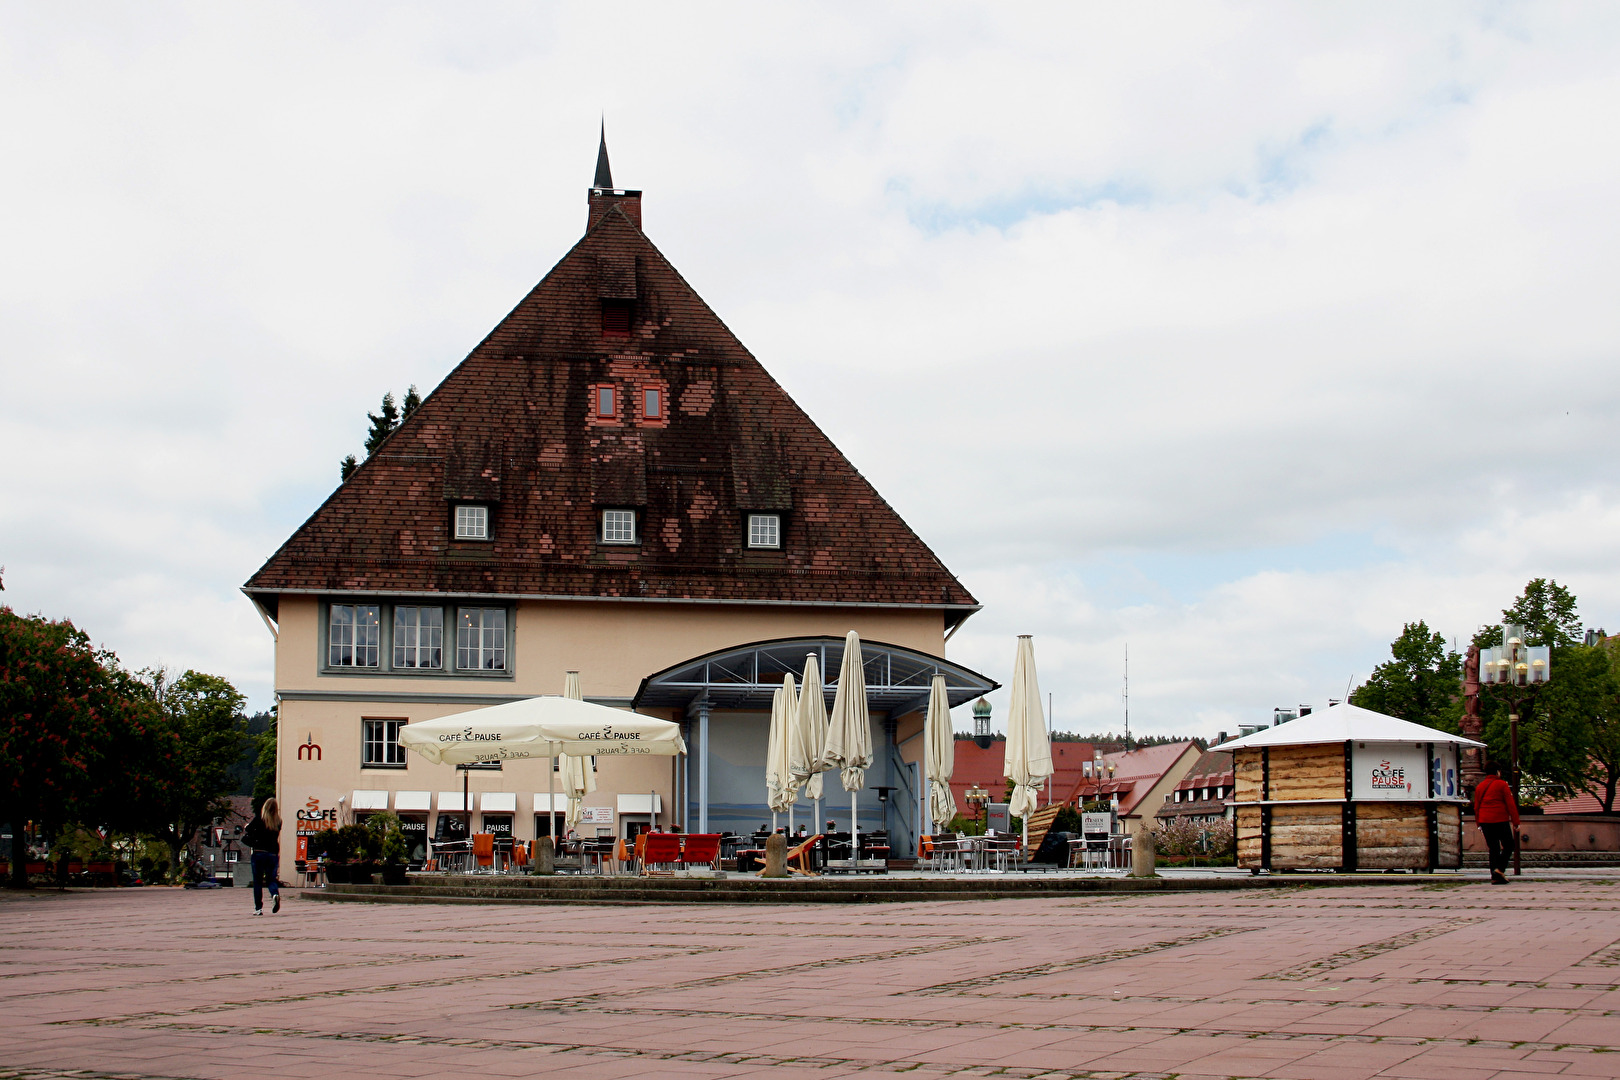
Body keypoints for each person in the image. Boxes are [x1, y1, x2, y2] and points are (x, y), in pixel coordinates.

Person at [1473, 762, 1520, 885]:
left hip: (1484, 820)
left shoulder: (1480, 786)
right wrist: (1516, 821)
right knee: (1509, 845)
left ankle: (1495, 876)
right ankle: (1499, 869)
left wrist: (1478, 822)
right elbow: (1510, 804)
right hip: (1500, 819)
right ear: (1497, 772)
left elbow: (1476, 806)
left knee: (1493, 848)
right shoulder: (1502, 784)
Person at [242, 799, 282, 915]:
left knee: (258, 881)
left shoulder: (259, 819)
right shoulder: (278, 821)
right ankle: (274, 894)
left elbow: (248, 829)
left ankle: (258, 908)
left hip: (259, 852)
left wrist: (247, 827)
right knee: (271, 878)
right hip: (273, 853)